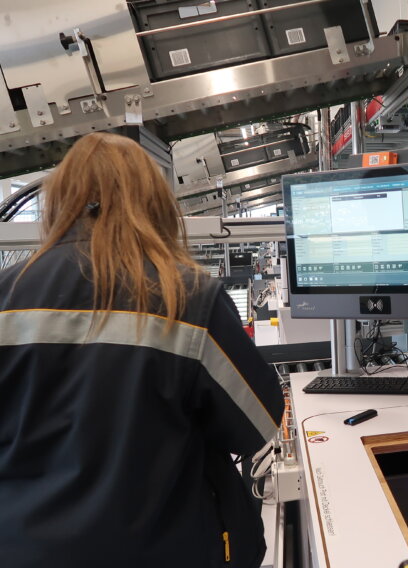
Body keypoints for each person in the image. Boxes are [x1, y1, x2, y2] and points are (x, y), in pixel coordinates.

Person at [0, 133, 284, 567]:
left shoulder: (6, 295)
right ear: (154, 201)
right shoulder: (186, 297)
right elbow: (257, 423)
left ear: (59, 199)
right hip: (164, 549)